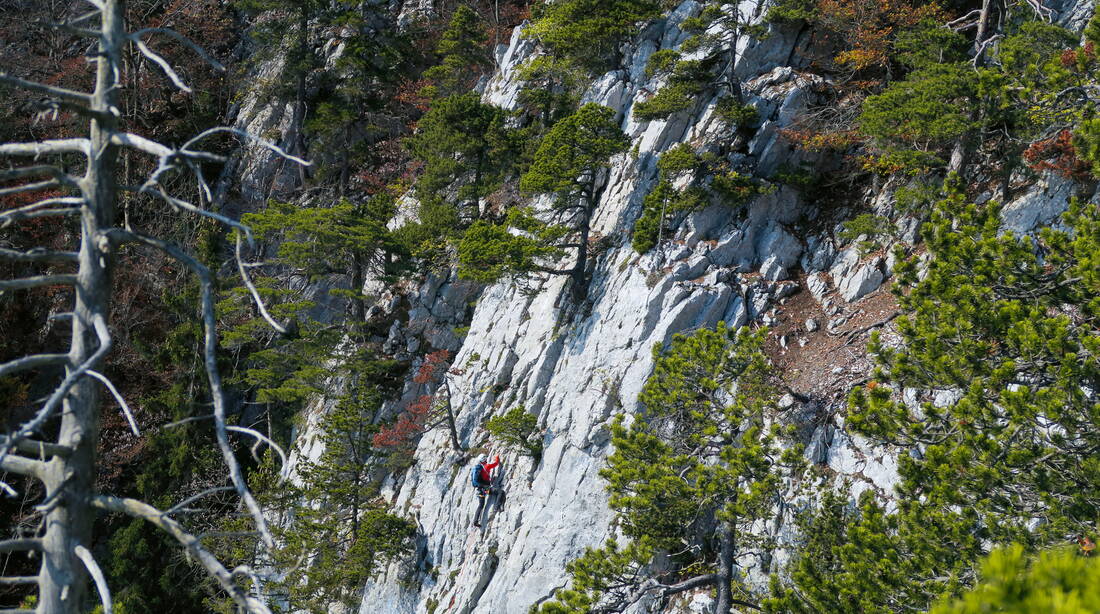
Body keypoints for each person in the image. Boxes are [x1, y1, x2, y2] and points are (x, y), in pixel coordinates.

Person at [471, 454, 500, 528]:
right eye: (485, 458)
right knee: (498, 492)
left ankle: (475, 521)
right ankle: (496, 507)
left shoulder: (478, 468)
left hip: (480, 490)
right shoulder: (487, 466)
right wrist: (497, 457)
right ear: (484, 460)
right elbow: (496, 463)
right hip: (485, 489)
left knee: (480, 505)